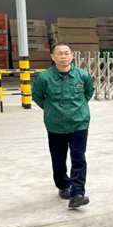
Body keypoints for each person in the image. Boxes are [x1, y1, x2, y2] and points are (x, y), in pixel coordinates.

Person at [31, 42, 94, 209]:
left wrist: (79, 108)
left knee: (78, 158)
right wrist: (51, 109)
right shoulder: (44, 78)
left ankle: (77, 194)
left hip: (79, 123)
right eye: (59, 53)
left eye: (67, 53)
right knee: (58, 158)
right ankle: (63, 185)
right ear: (52, 57)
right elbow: (37, 96)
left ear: (72, 56)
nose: (64, 56)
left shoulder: (83, 75)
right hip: (55, 125)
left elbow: (88, 92)